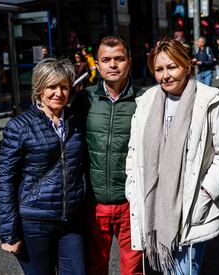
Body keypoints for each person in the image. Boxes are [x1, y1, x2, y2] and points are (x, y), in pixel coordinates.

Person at [126, 38, 219, 275]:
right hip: (153, 206)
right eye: (159, 69)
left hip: (192, 205)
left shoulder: (210, 100)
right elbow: (134, 153)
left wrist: (205, 194)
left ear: (186, 65)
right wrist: (132, 187)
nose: (166, 75)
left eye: (172, 67)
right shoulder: (146, 102)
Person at [0, 58, 86, 274]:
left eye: (64, 87)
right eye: (51, 86)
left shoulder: (75, 120)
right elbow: (4, 179)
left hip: (70, 221)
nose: (59, 93)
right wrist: (9, 232)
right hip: (34, 222)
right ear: (39, 89)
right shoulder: (19, 126)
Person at [71, 35, 144, 275]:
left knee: (133, 270)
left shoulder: (144, 100)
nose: (113, 65)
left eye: (119, 59)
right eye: (106, 60)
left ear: (129, 62)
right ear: (98, 65)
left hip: (130, 203)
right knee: (95, 267)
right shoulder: (85, 99)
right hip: (95, 203)